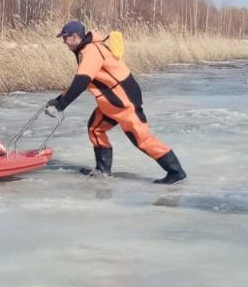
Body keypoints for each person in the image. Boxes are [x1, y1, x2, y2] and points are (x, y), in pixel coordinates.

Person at [47, 20, 187, 184]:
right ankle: (102, 170)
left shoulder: (91, 51)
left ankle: (176, 171)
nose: (64, 42)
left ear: (75, 36)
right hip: (110, 102)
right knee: (95, 129)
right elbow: (85, 80)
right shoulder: (86, 49)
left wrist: (61, 105)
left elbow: (82, 81)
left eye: (65, 38)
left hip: (123, 101)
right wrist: (58, 100)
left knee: (142, 139)